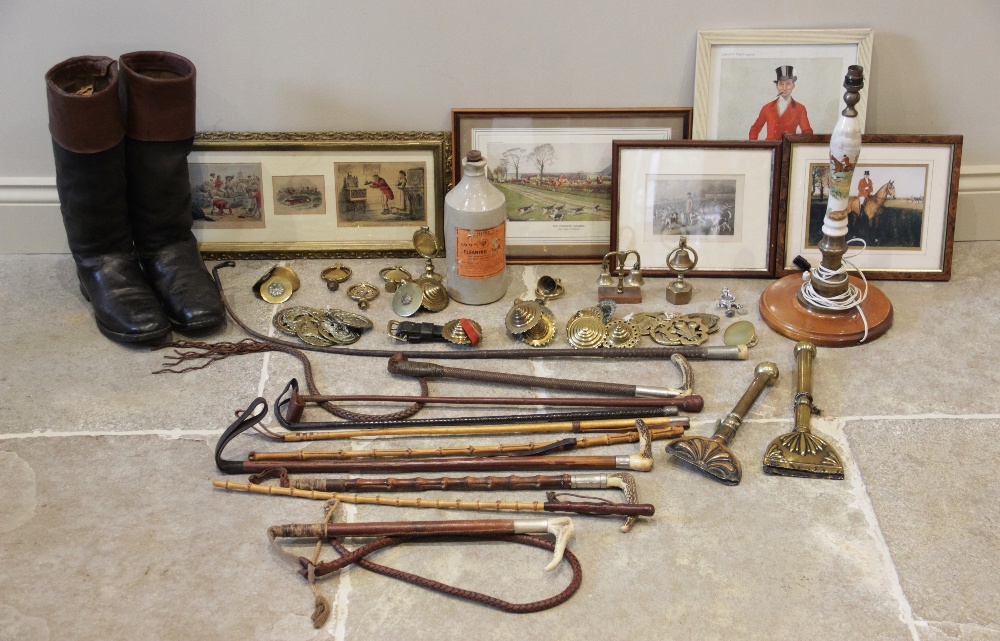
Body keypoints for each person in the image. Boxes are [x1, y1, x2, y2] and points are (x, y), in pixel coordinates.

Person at [749, 65, 813, 141]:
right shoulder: (767, 107)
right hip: (770, 150)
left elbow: (807, 132)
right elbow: (755, 129)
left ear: (793, 86)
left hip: (788, 150)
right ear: (777, 86)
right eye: (781, 84)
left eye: (788, 84)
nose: (784, 88)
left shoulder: (800, 108)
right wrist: (755, 148)